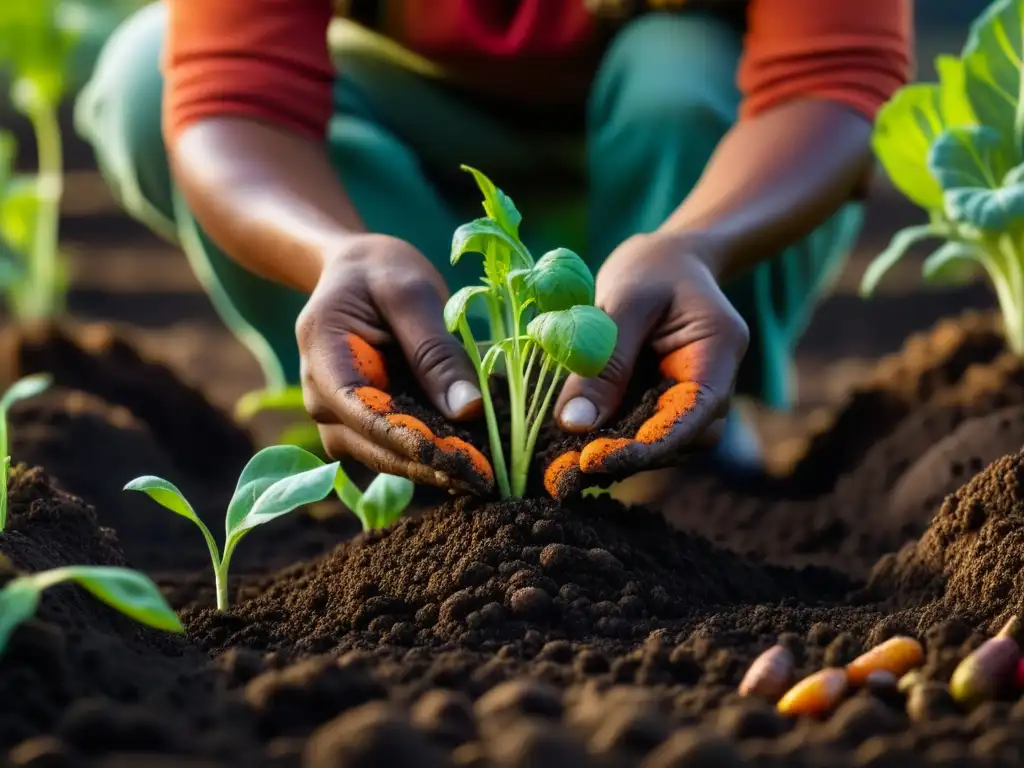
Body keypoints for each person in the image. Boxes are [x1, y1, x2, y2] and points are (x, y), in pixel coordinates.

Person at [76, 0, 911, 498]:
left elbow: (832, 73)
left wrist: (700, 242)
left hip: (687, 151)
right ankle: (420, 425)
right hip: (420, 130)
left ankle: (684, 443)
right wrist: (335, 252)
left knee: (679, 75)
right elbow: (233, 92)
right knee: (150, 74)